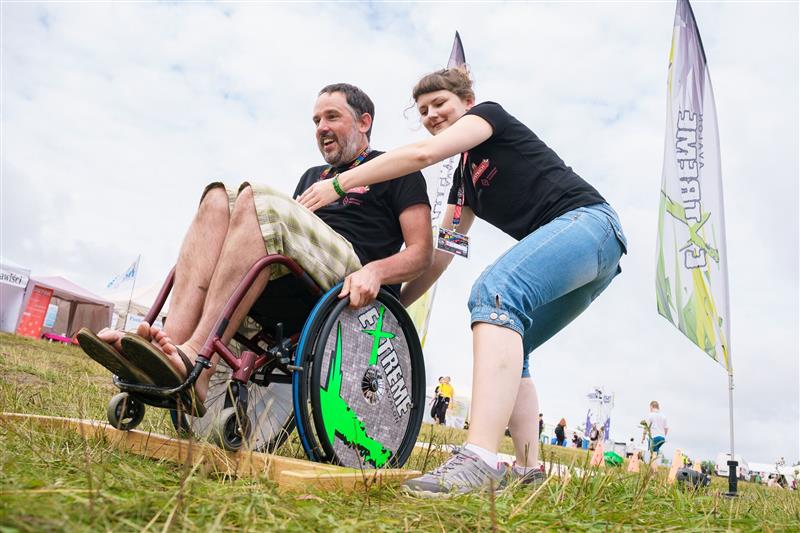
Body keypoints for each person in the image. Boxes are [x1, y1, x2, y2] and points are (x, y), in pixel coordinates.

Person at [299, 67, 627, 496]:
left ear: (466, 103)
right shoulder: (462, 188)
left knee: (495, 294)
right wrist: (393, 308)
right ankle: (530, 472)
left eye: (440, 105)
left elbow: (420, 156)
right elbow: (442, 253)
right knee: (515, 342)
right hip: (590, 265)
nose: (432, 115)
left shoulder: (489, 118)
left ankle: (479, 458)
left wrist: (341, 184)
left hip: (591, 226)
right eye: (423, 111)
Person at [83, 83, 433, 411]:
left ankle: (197, 360)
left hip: (351, 282)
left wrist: (375, 271)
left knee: (257, 198)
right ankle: (166, 348)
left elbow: (421, 253)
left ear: (364, 121)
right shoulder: (313, 177)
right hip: (297, 275)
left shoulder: (396, 170)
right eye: (315, 120)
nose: (321, 127)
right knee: (218, 198)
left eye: (332, 117)